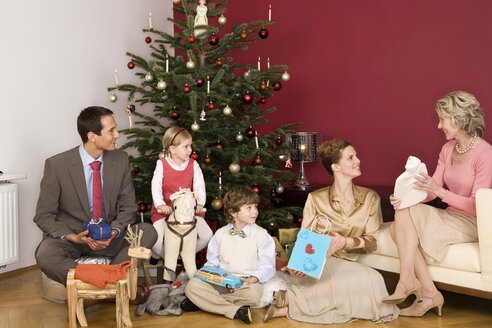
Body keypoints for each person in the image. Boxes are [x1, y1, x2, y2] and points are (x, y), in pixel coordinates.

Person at [264, 139, 399, 324]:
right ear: (336, 167)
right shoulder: (315, 198)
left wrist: (345, 242)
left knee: (372, 279)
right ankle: (290, 304)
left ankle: (288, 304)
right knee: (365, 281)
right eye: (350, 158)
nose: (358, 160)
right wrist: (298, 264)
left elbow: (372, 240)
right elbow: (307, 237)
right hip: (321, 261)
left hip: (351, 261)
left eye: (356, 156)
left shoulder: (370, 198)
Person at [384, 91, 492, 316]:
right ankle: (428, 292)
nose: (439, 125)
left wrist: (440, 192)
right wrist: (404, 198)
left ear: (460, 119)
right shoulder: (448, 149)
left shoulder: (485, 154)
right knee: (401, 215)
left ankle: (416, 287)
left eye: (443, 119)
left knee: (397, 227)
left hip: (473, 221)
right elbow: (431, 191)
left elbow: (476, 206)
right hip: (451, 215)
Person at [34, 106, 158, 289]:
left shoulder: (120, 159)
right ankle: (114, 284)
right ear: (92, 136)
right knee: (45, 254)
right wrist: (73, 237)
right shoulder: (56, 165)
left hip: (111, 238)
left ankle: (100, 283)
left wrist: (114, 232)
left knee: (148, 232)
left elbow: (128, 207)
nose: (117, 135)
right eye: (111, 131)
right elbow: (43, 215)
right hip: (74, 239)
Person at [183, 185, 276, 324]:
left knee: (255, 296)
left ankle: (206, 303)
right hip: (221, 283)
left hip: (246, 284)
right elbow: (211, 264)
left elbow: (268, 267)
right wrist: (211, 278)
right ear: (233, 212)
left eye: (255, 207)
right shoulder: (220, 234)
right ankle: (235, 311)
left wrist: (251, 280)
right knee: (192, 286)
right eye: (248, 208)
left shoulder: (262, 235)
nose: (254, 211)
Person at [149, 127, 212, 273]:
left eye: (190, 145)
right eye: (186, 146)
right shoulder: (162, 164)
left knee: (207, 235)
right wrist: (160, 204)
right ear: (172, 149)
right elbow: (156, 186)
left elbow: (199, 186)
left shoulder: (193, 165)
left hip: (189, 212)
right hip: (166, 211)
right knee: (156, 242)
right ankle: (167, 255)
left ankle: (183, 255)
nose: (190, 150)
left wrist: (199, 203)